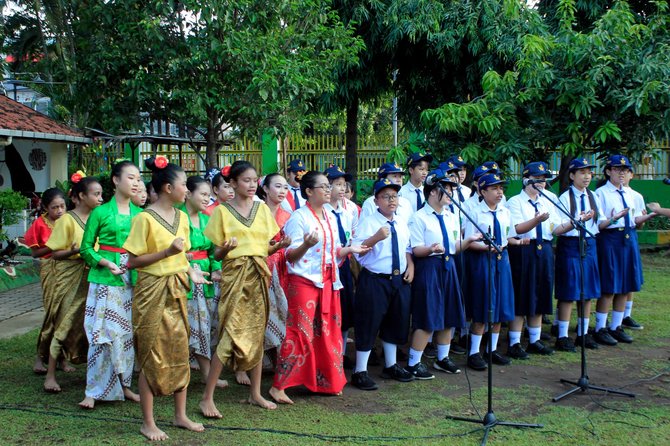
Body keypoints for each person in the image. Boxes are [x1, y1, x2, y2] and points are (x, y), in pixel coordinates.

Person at [124, 156, 207, 441]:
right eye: (184, 184)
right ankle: (148, 422)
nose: (188, 189)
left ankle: (180, 414)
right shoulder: (144, 218)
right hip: (151, 292)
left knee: (179, 351)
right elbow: (132, 262)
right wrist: (166, 255)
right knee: (151, 353)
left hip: (177, 290)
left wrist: (190, 271)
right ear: (169, 188)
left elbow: (182, 254)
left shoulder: (182, 217)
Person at [269, 171, 370, 403]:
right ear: (308, 191)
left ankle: (324, 382)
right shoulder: (298, 218)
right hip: (304, 281)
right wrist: (305, 244)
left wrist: (350, 250)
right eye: (323, 186)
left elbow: (333, 252)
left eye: (328, 186)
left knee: (328, 331)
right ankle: (279, 386)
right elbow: (290, 256)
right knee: (300, 332)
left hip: (328, 281)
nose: (328, 190)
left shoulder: (330, 217)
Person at [201, 161, 286, 417]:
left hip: (259, 275)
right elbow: (215, 251)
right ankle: (207, 398)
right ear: (233, 184)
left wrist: (281, 247)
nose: (251, 185)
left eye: (254, 180)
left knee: (257, 332)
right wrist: (226, 248)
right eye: (246, 180)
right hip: (235, 275)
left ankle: (255, 394)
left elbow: (264, 247)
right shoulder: (221, 212)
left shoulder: (261, 210)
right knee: (229, 335)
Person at [78, 160, 142, 409]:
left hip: (132, 278)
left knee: (125, 335)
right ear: (116, 180)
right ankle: (93, 390)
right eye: (131, 178)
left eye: (138, 178)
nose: (136, 183)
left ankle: (124, 385)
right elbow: (85, 248)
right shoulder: (100, 212)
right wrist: (104, 261)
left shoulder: (141, 215)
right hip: (105, 279)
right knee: (100, 334)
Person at [407, 170, 480, 378]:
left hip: (449, 266)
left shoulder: (450, 216)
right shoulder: (419, 218)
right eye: (445, 189)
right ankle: (414, 362)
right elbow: (415, 248)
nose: (449, 193)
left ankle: (442, 358)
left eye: (450, 189)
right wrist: (430, 249)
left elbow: (454, 247)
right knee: (428, 316)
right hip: (429, 267)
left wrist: (469, 240)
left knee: (450, 313)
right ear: (431, 192)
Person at [350, 177, 413, 389]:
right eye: (385, 197)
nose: (391, 200)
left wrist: (410, 267)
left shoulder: (401, 221)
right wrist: (375, 238)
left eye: (394, 196)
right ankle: (360, 371)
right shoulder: (368, 222)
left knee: (395, 322)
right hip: (375, 279)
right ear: (376, 200)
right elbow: (358, 253)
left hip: (398, 279)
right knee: (368, 323)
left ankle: (391, 365)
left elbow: (406, 248)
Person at [42, 175, 103, 393]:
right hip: (70, 275)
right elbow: (54, 254)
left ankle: (92, 372)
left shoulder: (99, 217)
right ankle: (50, 374)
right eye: (95, 194)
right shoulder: (67, 220)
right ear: (80, 196)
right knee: (63, 322)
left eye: (101, 194)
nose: (100, 198)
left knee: (91, 324)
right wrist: (75, 251)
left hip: (93, 276)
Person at [462, 173, 516, 370]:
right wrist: (485, 247)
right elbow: (469, 242)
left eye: (501, 188)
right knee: (484, 305)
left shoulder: (504, 211)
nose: (499, 192)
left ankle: (491, 350)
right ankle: (474, 352)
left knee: (501, 305)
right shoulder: (475, 213)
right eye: (494, 188)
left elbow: (509, 236)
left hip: (502, 259)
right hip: (482, 260)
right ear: (482, 191)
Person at [505, 162, 559, 359]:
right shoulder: (515, 202)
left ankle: (534, 340)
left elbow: (554, 228)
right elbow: (517, 228)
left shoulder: (547, 201)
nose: (542, 183)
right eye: (538, 179)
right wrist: (536, 220)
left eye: (544, 180)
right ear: (527, 179)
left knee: (540, 292)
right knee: (522, 294)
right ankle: (515, 342)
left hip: (544, 248)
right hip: (523, 249)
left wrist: (575, 223)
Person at [552, 157, 606, 352]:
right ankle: (563, 335)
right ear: (572, 175)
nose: (586, 176)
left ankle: (583, 333)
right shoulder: (565, 198)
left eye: (589, 173)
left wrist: (614, 218)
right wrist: (577, 220)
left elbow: (599, 224)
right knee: (568, 291)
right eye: (582, 172)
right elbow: (558, 228)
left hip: (589, 244)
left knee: (588, 291)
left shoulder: (593, 196)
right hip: (571, 244)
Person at [593, 155, 646, 346]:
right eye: (617, 169)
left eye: (625, 170)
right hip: (610, 239)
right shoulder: (601, 194)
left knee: (625, 284)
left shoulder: (633, 195)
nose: (622, 173)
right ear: (608, 171)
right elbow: (599, 224)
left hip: (628, 238)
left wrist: (648, 216)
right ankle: (600, 327)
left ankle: (616, 325)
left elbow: (636, 220)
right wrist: (615, 218)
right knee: (609, 285)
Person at [179, 176, 226, 388]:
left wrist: (216, 269)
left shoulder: (207, 220)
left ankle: (206, 373)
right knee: (185, 325)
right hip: (184, 276)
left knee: (204, 325)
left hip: (205, 279)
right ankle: (178, 373)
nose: (207, 199)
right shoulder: (177, 217)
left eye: (209, 195)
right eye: (203, 194)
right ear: (188, 193)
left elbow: (213, 251)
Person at [26, 187, 66, 375]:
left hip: (67, 269)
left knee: (65, 314)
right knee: (52, 313)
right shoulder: (39, 225)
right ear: (45, 208)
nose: (59, 211)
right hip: (49, 268)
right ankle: (40, 357)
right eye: (54, 207)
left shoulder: (68, 221)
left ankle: (62, 359)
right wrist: (52, 247)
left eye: (62, 206)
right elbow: (35, 252)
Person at [324, 165, 357, 369]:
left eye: (343, 184)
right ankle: (328, 354)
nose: (342, 188)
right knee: (328, 313)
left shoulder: (347, 212)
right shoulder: (322, 212)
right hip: (327, 269)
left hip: (343, 266)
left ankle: (342, 353)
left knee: (345, 312)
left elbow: (351, 235)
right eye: (337, 184)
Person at [257, 173, 291, 368]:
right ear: (266, 189)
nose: (282, 191)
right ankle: (247, 363)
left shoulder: (288, 215)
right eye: (277, 186)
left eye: (285, 187)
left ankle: (279, 356)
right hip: (261, 264)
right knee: (258, 312)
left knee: (281, 310)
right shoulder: (257, 212)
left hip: (281, 266)